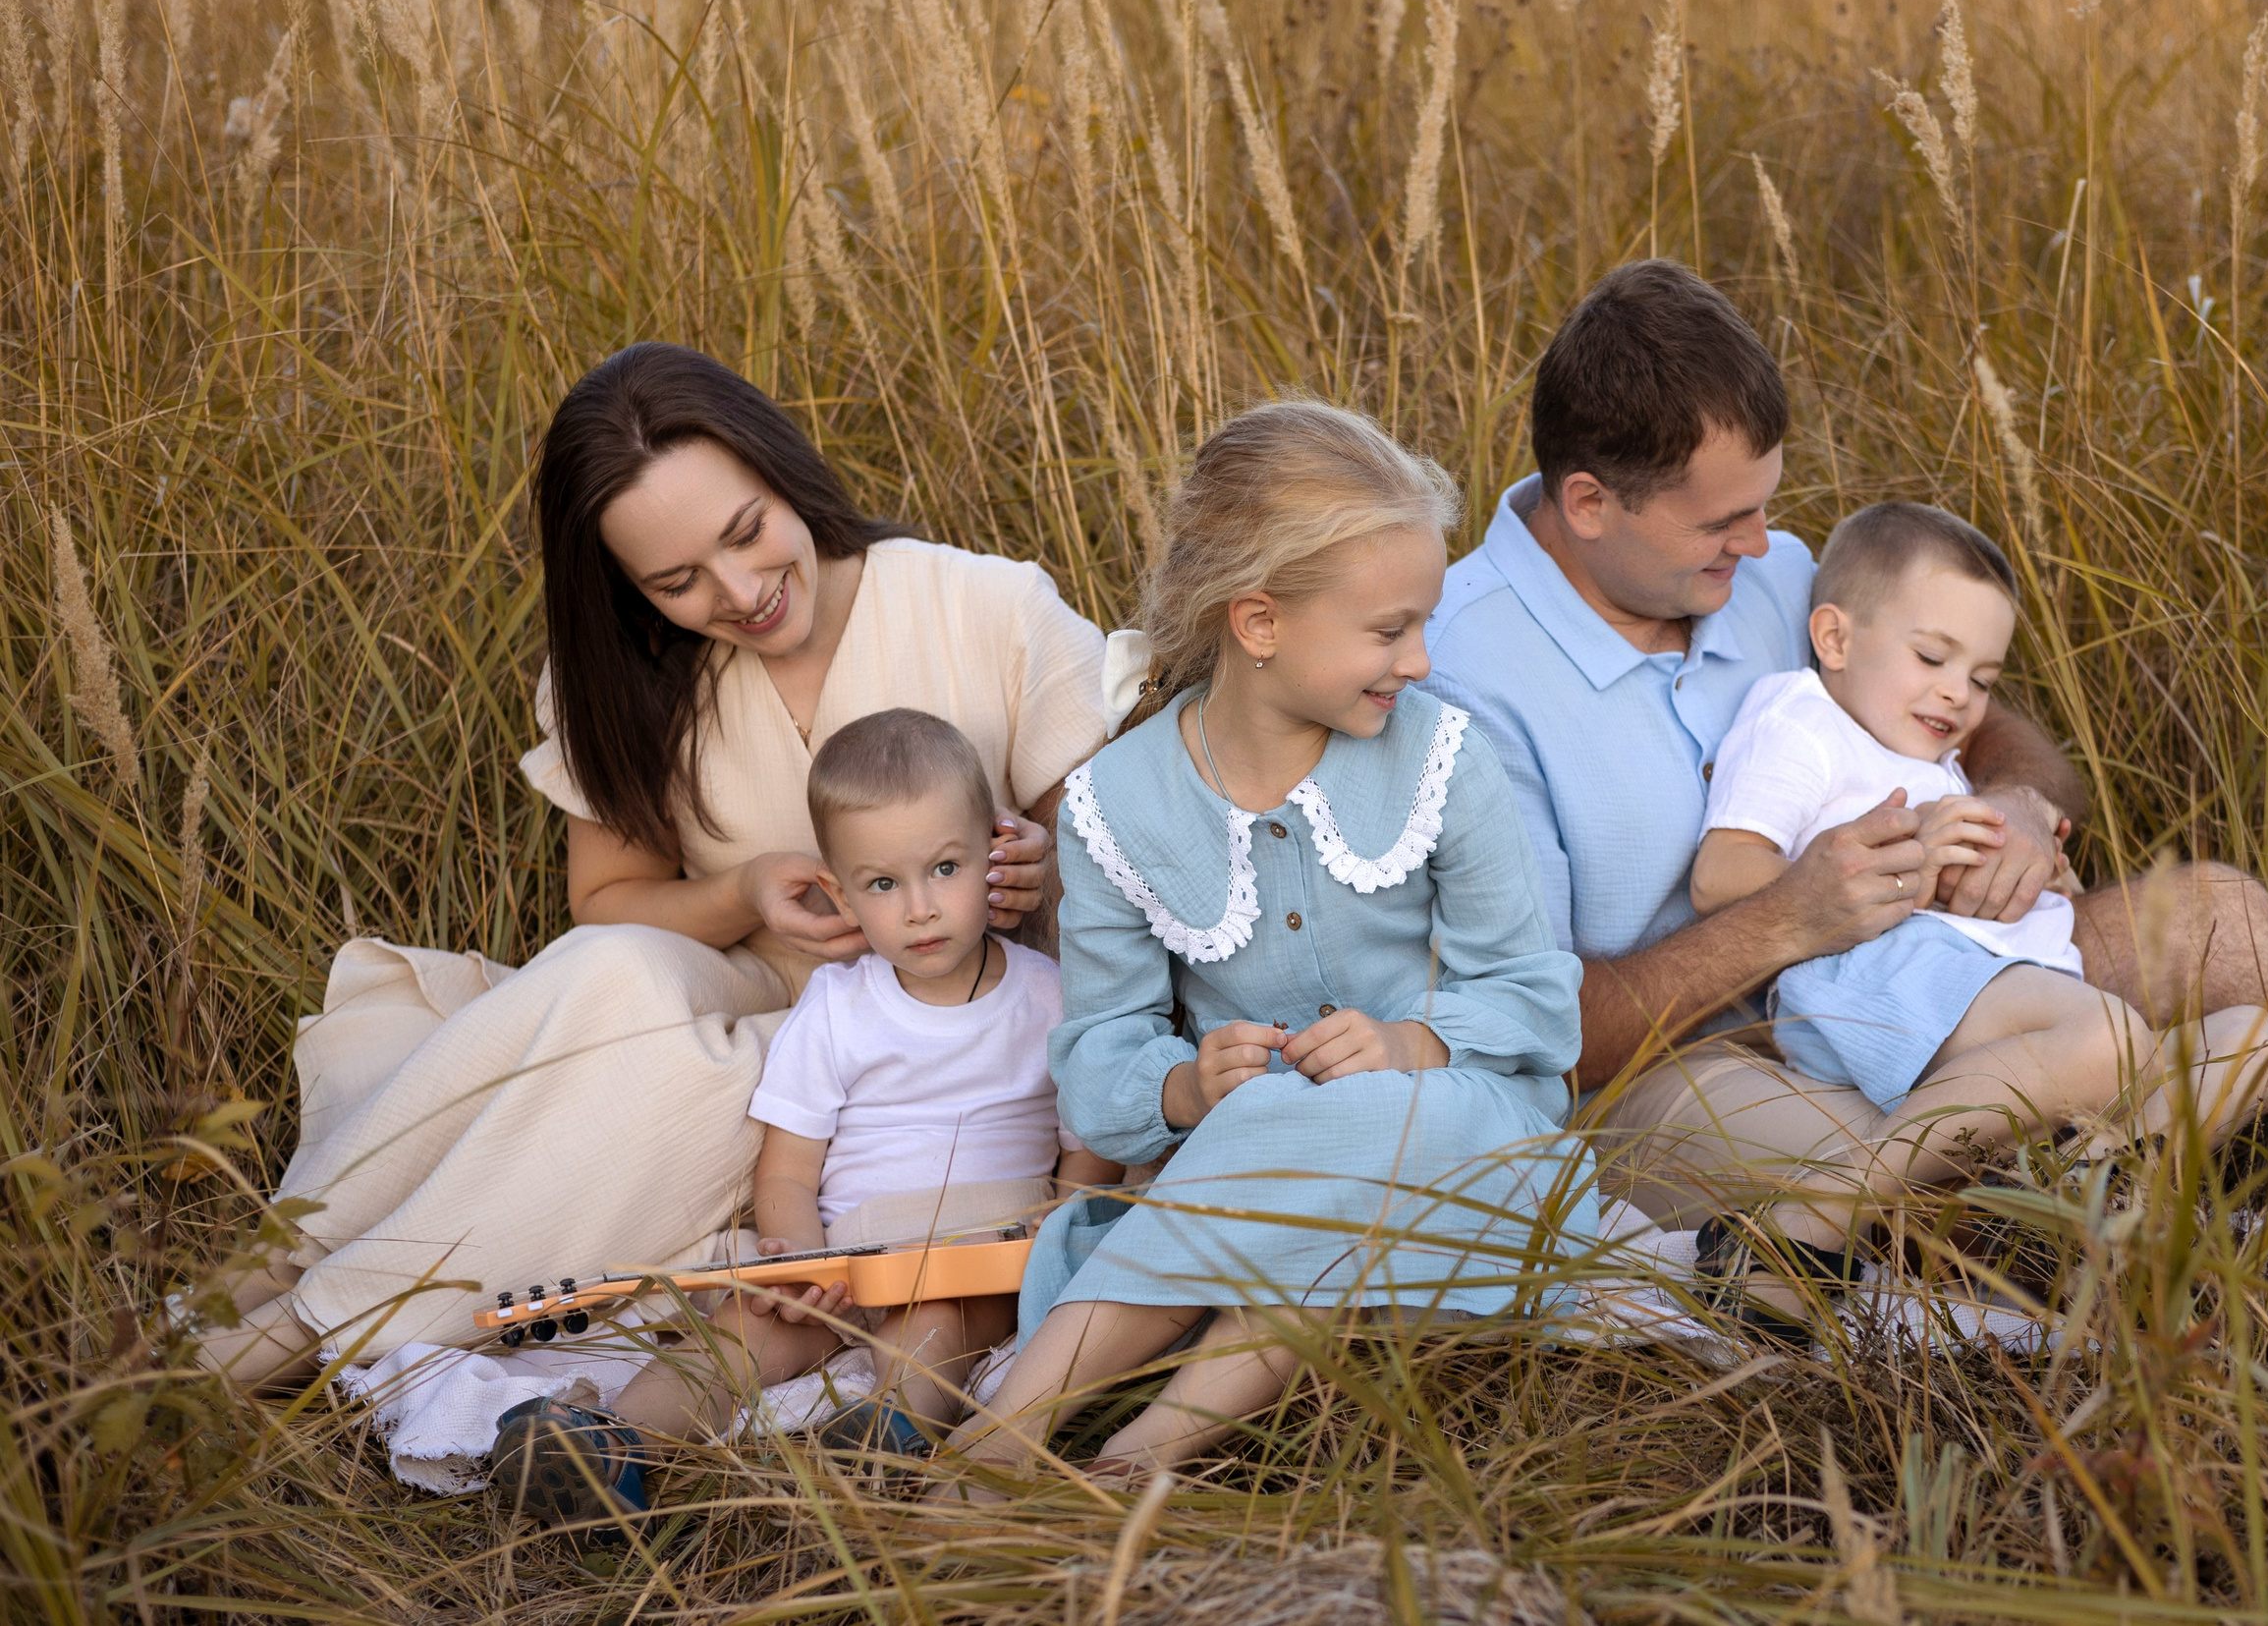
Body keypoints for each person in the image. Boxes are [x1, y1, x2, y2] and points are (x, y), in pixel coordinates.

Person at [1424, 258, 2268, 1261]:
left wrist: (2018, 806)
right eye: (1725, 521)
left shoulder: (1773, 573)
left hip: (1925, 970)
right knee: (1989, 1175)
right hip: (1669, 1076)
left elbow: (1984, 721)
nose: (1759, 544)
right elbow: (1535, 1032)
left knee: (2218, 922)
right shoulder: (1463, 680)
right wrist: (1791, 917)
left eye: (1764, 507)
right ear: (1588, 503)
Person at [194, 344, 1110, 1384]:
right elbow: (607, 904)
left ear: (780, 471)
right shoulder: (633, 672)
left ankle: (306, 1324)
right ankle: (281, 1257)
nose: (743, 592)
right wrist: (743, 888)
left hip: (928, 1032)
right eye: (679, 581)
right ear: (630, 590)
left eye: (747, 532)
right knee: (609, 971)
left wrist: (1039, 868)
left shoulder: (987, 608)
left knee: (674, 1080)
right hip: (753, 984)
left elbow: (1118, 868)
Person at [940, 402, 1594, 1489]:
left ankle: (1002, 1443)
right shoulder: (1116, 805)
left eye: (1422, 624)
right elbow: (1100, 1056)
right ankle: (1120, 1473)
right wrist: (1188, 1086)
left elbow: (1534, 999)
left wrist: (1411, 1045)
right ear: (1258, 623)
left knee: (1335, 1131)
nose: (1419, 659)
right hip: (1263, 1174)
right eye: (1388, 631)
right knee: (1303, 1173)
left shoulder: (1443, 759)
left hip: (1467, 1132)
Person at [486, 709, 1121, 1528]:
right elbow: (787, 1168)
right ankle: (610, 1440)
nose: (920, 908)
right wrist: (802, 1260)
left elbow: (1088, 1146)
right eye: (884, 884)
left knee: (941, 1324)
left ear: (994, 853)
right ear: (842, 892)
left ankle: (885, 1437)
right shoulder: (836, 1005)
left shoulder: (1048, 993)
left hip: (978, 1252)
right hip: (846, 1253)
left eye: (945, 868)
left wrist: (1057, 1227)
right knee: (745, 1326)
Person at [1684, 501, 2268, 1343]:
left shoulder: (1925, 754)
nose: (1957, 693)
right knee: (2110, 1037)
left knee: (2261, 1043)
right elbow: (1722, 876)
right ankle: (1813, 1215)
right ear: (1834, 638)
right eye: (1932, 657)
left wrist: (2038, 877)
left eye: (1982, 679)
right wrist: (1911, 856)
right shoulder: (1801, 718)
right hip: (1874, 975)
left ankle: (2079, 1192)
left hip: (1984, 980)